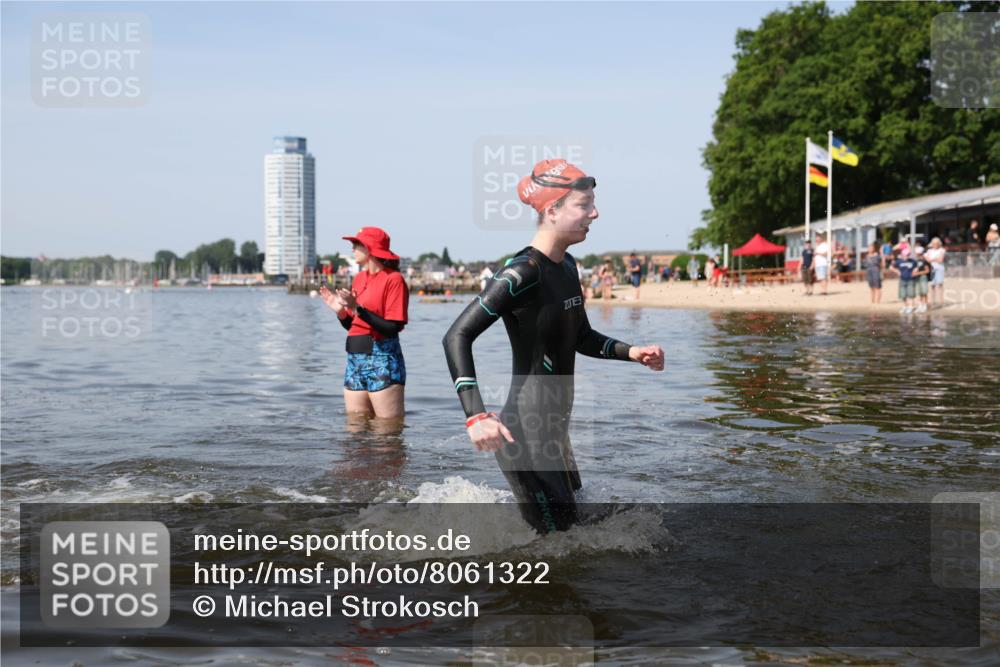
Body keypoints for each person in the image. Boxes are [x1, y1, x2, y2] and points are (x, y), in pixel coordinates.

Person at [442, 159, 664, 533]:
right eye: (584, 205)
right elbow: (456, 336)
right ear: (552, 211)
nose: (595, 213)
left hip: (555, 434)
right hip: (525, 437)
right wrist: (476, 415)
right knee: (558, 547)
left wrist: (632, 352)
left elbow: (581, 337)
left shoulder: (567, 266)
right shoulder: (522, 272)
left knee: (574, 536)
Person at [320, 227, 409, 419]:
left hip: (382, 359)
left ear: (370, 248)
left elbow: (393, 327)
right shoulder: (359, 279)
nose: (352, 248)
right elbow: (354, 325)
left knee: (387, 429)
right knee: (355, 428)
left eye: (356, 244)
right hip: (354, 360)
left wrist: (357, 308)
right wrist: (341, 312)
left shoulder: (394, 279)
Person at [888, 247, 918, 314]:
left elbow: (916, 267)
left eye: (908, 255)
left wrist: (915, 271)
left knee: (911, 293)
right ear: (902, 255)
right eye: (905, 255)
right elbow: (890, 267)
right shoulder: (898, 261)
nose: (906, 256)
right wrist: (897, 271)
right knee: (903, 294)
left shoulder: (913, 261)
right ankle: (905, 306)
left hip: (910, 279)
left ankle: (911, 306)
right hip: (902, 279)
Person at [925, 237, 946, 309]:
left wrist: (932, 259)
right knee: (932, 285)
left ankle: (941, 302)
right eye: (934, 244)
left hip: (939, 269)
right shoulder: (929, 251)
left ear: (939, 244)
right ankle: (932, 302)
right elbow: (927, 260)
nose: (935, 245)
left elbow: (940, 260)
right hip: (932, 269)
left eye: (936, 243)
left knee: (940, 284)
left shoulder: (942, 250)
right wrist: (935, 259)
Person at [913, 246, 931, 313]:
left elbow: (927, 271)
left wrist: (918, 273)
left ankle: (925, 305)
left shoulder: (924, 261)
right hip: (917, 278)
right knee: (919, 292)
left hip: (923, 277)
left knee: (924, 292)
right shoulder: (916, 261)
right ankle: (920, 305)